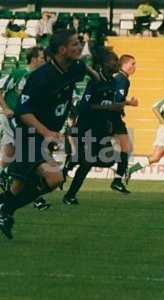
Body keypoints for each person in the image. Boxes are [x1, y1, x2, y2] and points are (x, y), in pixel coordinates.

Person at [0, 30, 89, 240]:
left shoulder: (73, 67)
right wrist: (47, 132)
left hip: (44, 138)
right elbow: (23, 112)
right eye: (75, 44)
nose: (80, 47)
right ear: (61, 50)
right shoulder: (40, 77)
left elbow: (85, 69)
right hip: (30, 136)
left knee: (16, 189)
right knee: (54, 178)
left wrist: (100, 77)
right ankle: (6, 210)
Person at [0, 46, 51, 211]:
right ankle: (35, 196)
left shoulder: (38, 77)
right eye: (41, 57)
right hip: (14, 119)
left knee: (8, 158)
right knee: (28, 153)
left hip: (22, 120)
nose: (44, 60)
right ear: (33, 59)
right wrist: (5, 108)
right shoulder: (21, 73)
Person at [62, 47, 123, 205]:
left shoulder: (113, 82)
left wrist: (110, 121)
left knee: (109, 160)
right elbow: (84, 106)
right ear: (104, 64)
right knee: (87, 163)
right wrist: (106, 108)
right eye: (114, 60)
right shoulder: (94, 82)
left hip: (102, 128)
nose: (117, 63)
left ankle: (74, 160)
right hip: (87, 127)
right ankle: (70, 195)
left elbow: (109, 105)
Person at [110, 55, 139, 194]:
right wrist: (129, 103)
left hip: (112, 117)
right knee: (126, 148)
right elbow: (117, 100)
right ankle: (117, 180)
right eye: (133, 63)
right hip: (112, 118)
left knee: (125, 147)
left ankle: (118, 180)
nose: (135, 67)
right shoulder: (122, 80)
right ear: (125, 65)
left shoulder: (118, 78)